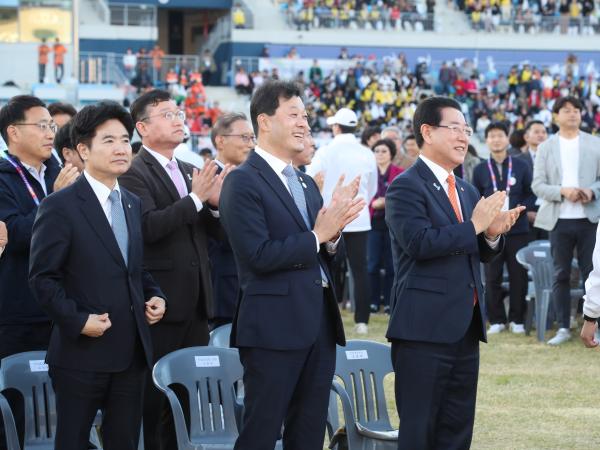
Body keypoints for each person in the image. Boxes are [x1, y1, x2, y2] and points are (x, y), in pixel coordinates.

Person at [219, 80, 364, 450]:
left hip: (318, 323)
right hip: (272, 326)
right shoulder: (242, 182)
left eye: (306, 115)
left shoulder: (304, 182)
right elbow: (258, 256)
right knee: (262, 431)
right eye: (294, 114)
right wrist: (319, 235)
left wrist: (332, 237)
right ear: (264, 122)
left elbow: (325, 253)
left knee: (310, 431)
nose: (304, 123)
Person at [385, 96, 523, 449]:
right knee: (420, 431)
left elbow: (475, 251)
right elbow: (419, 243)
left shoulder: (465, 188)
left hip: (465, 326)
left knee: (457, 431)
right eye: (455, 128)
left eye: (467, 129)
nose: (464, 137)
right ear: (427, 132)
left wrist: (491, 235)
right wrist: (476, 225)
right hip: (423, 330)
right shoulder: (405, 185)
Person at [29, 101, 166, 450]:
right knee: (73, 441)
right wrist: (78, 321)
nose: (121, 148)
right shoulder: (59, 206)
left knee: (124, 442)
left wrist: (155, 295)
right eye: (108, 141)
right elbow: (43, 278)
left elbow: (134, 268)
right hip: (81, 353)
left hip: (131, 351)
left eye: (124, 139)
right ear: (82, 150)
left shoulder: (132, 203)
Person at [119, 89, 227, 450]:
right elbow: (148, 226)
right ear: (142, 128)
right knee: (156, 398)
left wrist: (212, 206)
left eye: (179, 112)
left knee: (189, 393)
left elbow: (212, 232)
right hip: (161, 302)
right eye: (166, 114)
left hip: (197, 299)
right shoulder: (134, 171)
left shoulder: (187, 168)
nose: (178, 118)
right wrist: (196, 198)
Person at [532, 96, 600, 345]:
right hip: (558, 220)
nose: (572, 114)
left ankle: (592, 325)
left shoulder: (595, 143)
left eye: (576, 110)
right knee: (560, 274)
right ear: (556, 115)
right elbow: (537, 185)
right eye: (566, 110)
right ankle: (563, 326)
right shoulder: (546, 147)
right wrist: (563, 191)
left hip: (589, 218)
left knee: (592, 273)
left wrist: (591, 191)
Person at [307, 107, 377, 335]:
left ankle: (326, 315)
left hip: (332, 217)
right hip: (359, 216)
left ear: (336, 127)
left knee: (327, 268)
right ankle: (362, 320)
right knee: (360, 269)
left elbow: (309, 178)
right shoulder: (366, 152)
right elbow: (373, 187)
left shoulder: (326, 151)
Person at [472, 122, 535, 334]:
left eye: (500, 135)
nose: (496, 139)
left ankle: (517, 319)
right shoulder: (481, 169)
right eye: (492, 136)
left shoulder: (521, 166)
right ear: (487, 140)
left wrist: (519, 209)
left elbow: (531, 193)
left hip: (518, 228)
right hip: (491, 231)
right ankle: (497, 319)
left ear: (507, 139)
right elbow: (476, 197)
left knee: (519, 274)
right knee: (492, 275)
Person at [209, 112, 254, 328]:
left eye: (253, 138)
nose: (251, 144)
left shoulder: (250, 178)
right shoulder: (207, 178)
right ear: (221, 140)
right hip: (222, 285)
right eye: (244, 137)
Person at [368, 138, 403, 314]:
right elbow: (362, 198)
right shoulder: (368, 173)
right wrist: (373, 203)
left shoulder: (399, 172)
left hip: (392, 224)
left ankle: (390, 301)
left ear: (391, 154)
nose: (380, 154)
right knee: (372, 264)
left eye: (384, 151)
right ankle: (373, 301)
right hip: (372, 222)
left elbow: (402, 197)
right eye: (377, 151)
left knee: (391, 264)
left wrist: (386, 201)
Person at [519, 120, 549, 241]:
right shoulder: (517, 161)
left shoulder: (554, 160)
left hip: (549, 215)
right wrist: (524, 214)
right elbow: (516, 190)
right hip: (526, 215)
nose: (541, 135)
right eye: (536, 132)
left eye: (544, 132)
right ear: (526, 136)